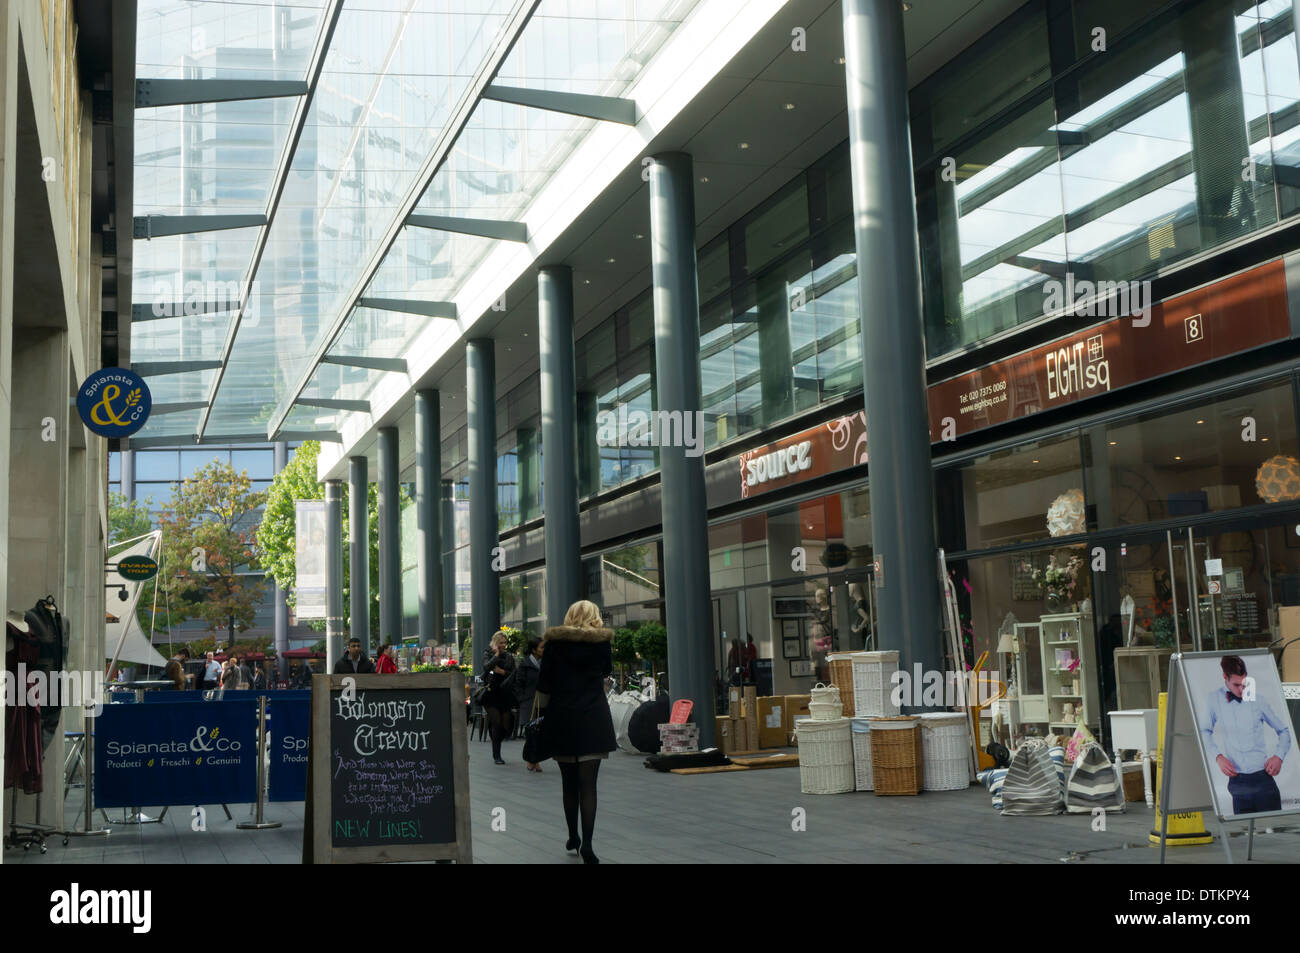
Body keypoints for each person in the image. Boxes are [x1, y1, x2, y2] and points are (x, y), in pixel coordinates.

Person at [538, 600, 617, 864]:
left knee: (568, 784)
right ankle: (589, 846)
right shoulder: (601, 644)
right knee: (589, 786)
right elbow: (607, 671)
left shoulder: (554, 645)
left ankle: (573, 835)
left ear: (569, 616)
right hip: (593, 717)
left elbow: (544, 684)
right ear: (594, 616)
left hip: (562, 718)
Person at [1200, 655, 1292, 815]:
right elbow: (1204, 731)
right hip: (1237, 781)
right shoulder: (1214, 700)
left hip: (1263, 779)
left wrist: (1279, 756)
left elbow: (1283, 731)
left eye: (1244, 684)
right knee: (1245, 833)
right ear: (1224, 677)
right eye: (1236, 685)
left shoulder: (1258, 700)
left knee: (1276, 832)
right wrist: (1218, 757)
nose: (1242, 690)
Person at [480, 631, 517, 765]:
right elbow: (486, 667)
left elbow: (514, 674)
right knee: (497, 722)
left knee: (505, 725)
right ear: (495, 643)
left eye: (505, 643)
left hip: (505, 694)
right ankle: (497, 755)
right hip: (490, 693)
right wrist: (496, 654)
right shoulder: (488, 654)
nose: (503, 645)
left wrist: (502, 672)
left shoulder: (509, 657)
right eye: (501, 643)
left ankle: (494, 732)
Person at [515, 636, 544, 772]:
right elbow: (518, 684)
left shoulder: (544, 663)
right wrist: (522, 699)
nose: (543, 650)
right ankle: (533, 761)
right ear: (534, 650)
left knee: (539, 732)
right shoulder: (524, 664)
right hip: (528, 703)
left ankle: (533, 760)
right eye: (541, 647)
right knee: (531, 732)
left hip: (542, 702)